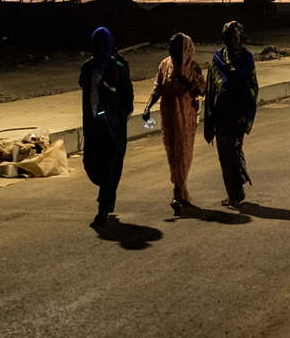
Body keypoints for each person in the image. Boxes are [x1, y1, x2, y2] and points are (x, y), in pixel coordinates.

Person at [142, 33, 206, 215]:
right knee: (172, 150)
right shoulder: (165, 64)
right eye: (170, 47)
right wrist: (147, 108)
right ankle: (181, 192)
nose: (171, 51)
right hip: (169, 112)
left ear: (184, 48)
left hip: (186, 113)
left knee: (183, 152)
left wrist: (188, 83)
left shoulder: (193, 67)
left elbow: (202, 89)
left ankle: (179, 193)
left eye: (175, 47)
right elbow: (158, 88)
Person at [80, 27, 134, 227]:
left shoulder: (118, 67)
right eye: (97, 43)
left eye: (103, 43)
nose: (100, 47)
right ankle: (105, 195)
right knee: (92, 163)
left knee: (110, 168)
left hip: (112, 128)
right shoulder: (88, 67)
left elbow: (128, 99)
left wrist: (116, 119)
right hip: (93, 126)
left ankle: (103, 207)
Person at [204, 21, 258, 208]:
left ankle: (237, 192)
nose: (232, 41)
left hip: (239, 113)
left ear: (241, 38)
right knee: (224, 155)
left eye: (235, 38)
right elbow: (215, 83)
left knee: (234, 150)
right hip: (221, 113)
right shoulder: (218, 57)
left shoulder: (247, 58)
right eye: (228, 38)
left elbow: (241, 81)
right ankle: (233, 192)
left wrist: (228, 85)